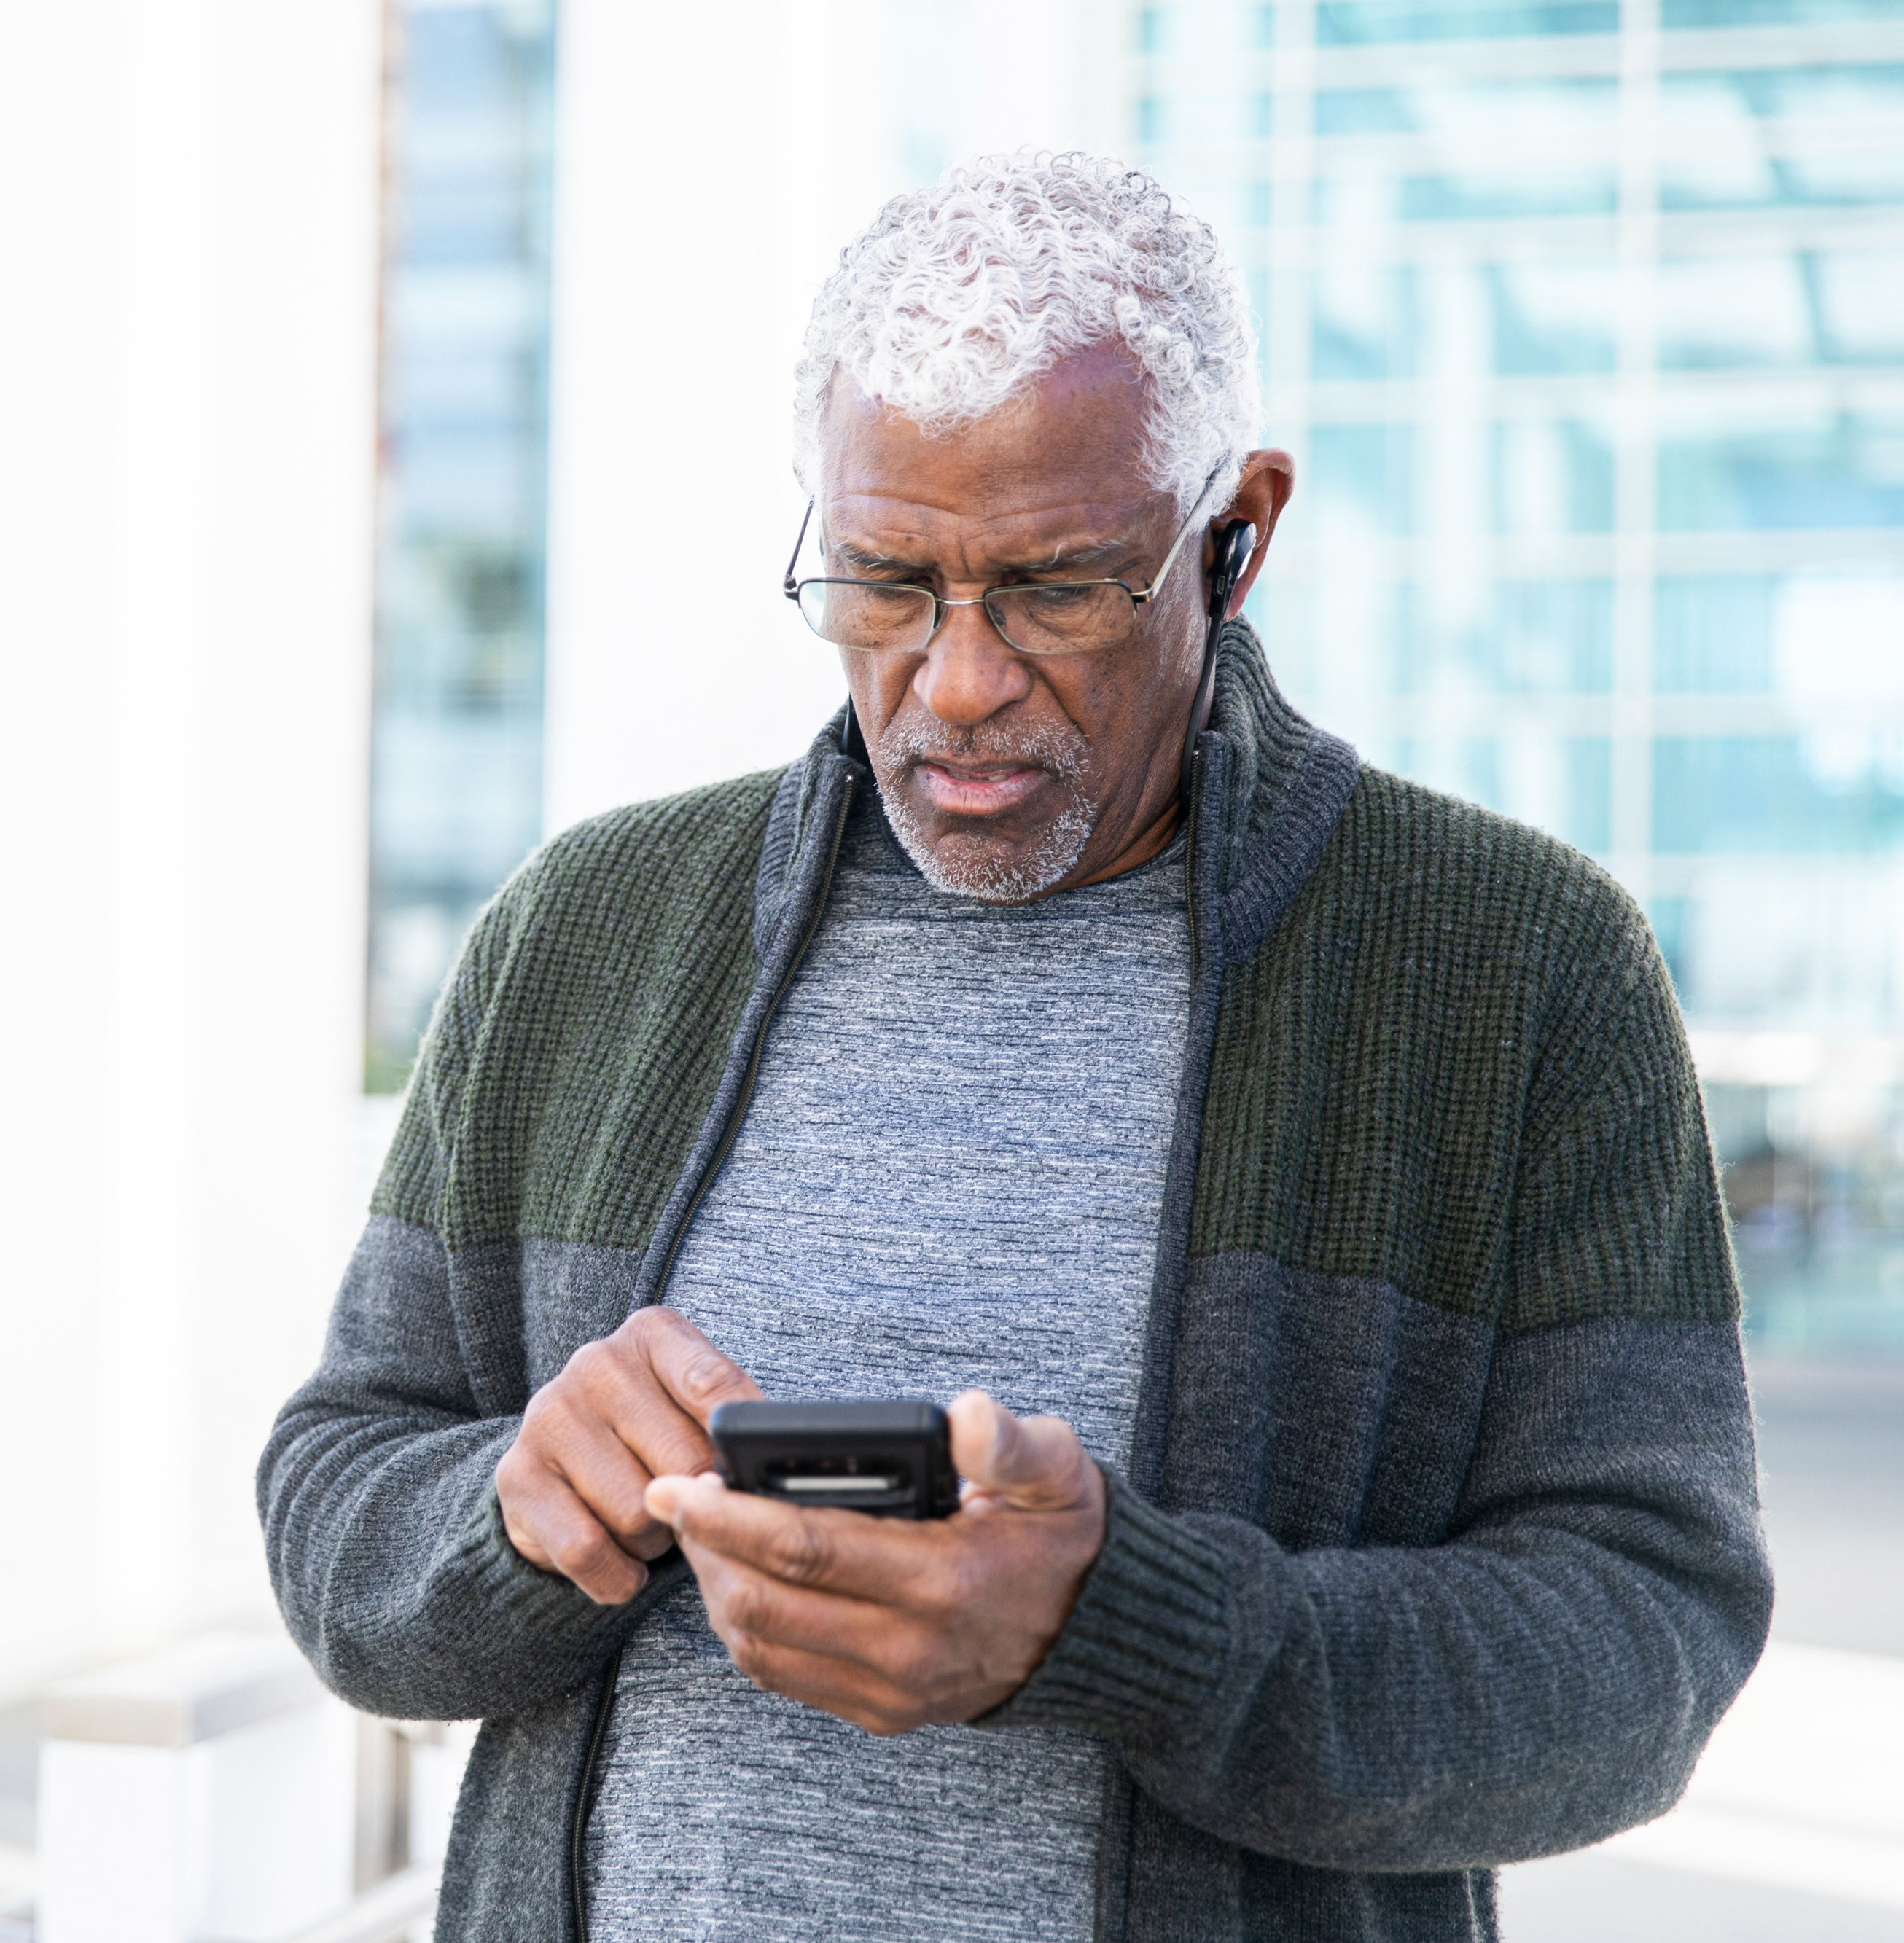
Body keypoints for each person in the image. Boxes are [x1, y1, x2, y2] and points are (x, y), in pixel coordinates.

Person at [257, 150, 1769, 1943]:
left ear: (1237, 531)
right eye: (884, 583)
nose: (955, 681)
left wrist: (1125, 1627)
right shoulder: (583, 930)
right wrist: (509, 1513)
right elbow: (335, 1489)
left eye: (1053, 589)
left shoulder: (1515, 974)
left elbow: (1643, 1636)